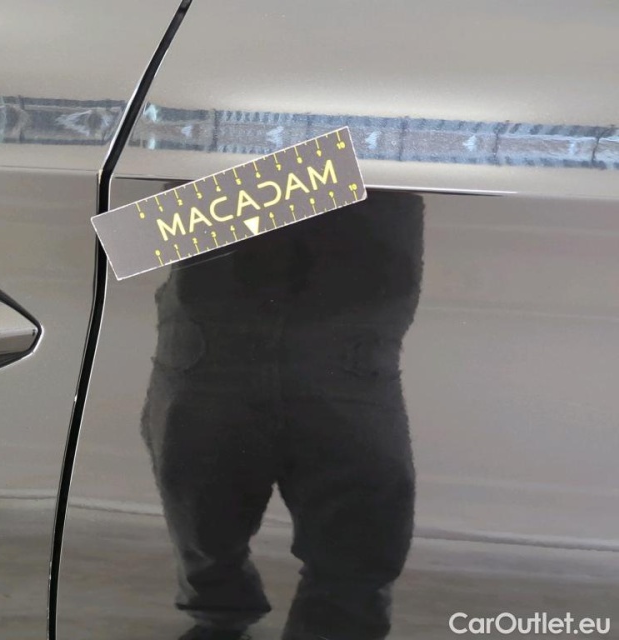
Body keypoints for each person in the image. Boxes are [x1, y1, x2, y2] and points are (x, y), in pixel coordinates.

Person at [141, 191, 425, 640]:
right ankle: (217, 618)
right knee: (202, 522)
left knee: (355, 548)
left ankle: (219, 618)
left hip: (304, 322)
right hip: (236, 322)